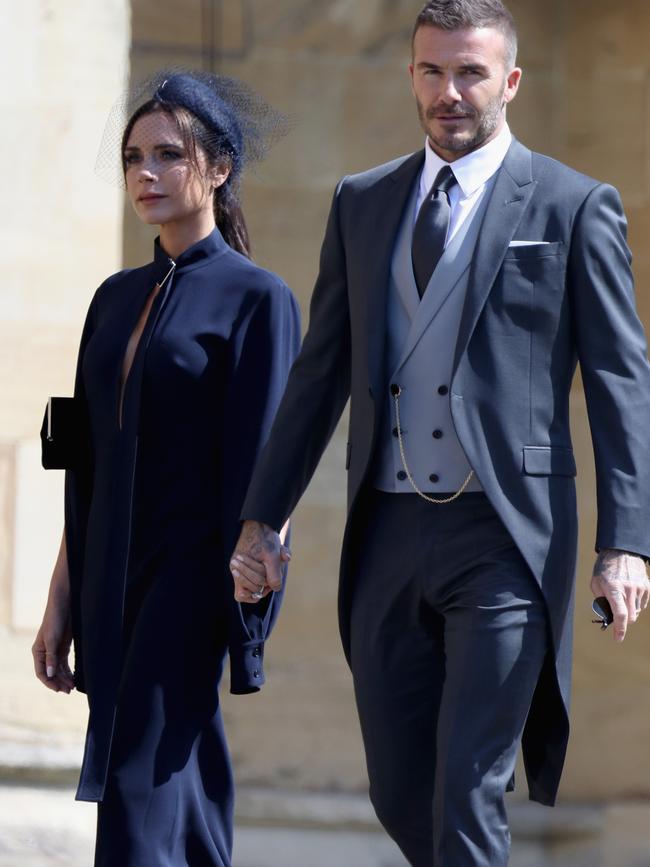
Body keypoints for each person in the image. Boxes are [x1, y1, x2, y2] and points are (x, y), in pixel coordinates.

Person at [230, 2, 650, 865]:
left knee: (468, 785)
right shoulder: (362, 202)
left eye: (470, 73)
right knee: (398, 788)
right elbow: (319, 374)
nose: (449, 92)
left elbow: (619, 381)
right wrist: (262, 517)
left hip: (505, 535)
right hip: (386, 529)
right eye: (431, 71)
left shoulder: (576, 205)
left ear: (511, 81)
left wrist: (627, 544)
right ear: (412, 74)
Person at [32, 70, 300, 867]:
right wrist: (61, 597)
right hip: (111, 577)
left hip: (193, 578)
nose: (145, 175)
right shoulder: (112, 299)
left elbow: (269, 464)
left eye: (167, 156)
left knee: (137, 774)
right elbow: (80, 456)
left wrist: (259, 566)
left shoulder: (260, 298)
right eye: (132, 158)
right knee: (174, 789)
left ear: (218, 169)